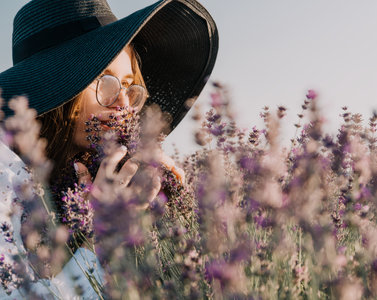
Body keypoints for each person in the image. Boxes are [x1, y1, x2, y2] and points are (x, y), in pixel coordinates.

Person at [0, 0, 218, 298]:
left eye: (131, 86)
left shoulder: (84, 177)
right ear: (57, 86)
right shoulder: (5, 180)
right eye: (108, 82)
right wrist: (100, 239)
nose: (125, 105)